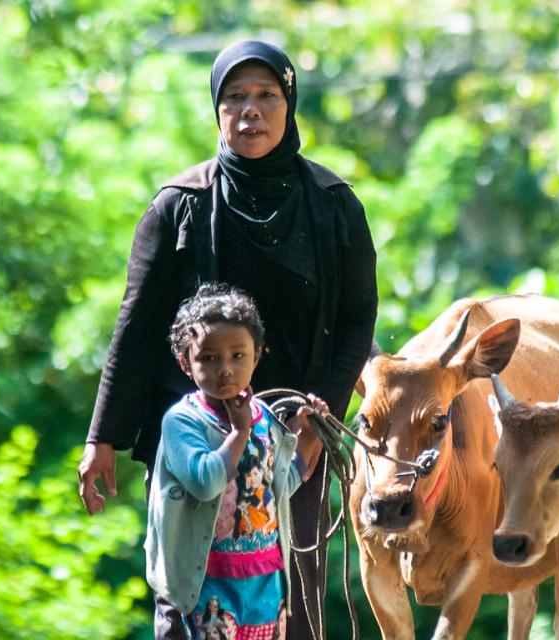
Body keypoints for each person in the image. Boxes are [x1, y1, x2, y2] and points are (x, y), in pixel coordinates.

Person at [78, 39, 378, 638]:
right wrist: (102, 437)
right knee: (189, 599)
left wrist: (319, 424)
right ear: (216, 110)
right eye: (234, 97)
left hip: (291, 441)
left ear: (290, 105)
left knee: (292, 600)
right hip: (196, 440)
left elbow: (356, 319)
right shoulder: (179, 206)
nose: (251, 112)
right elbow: (135, 326)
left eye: (267, 96)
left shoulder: (333, 204)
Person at [145, 283, 327, 639]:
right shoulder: (183, 421)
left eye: (237, 356)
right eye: (208, 358)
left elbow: (279, 486)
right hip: (207, 583)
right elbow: (205, 481)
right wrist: (239, 434)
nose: (225, 369)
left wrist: (310, 434)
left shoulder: (262, 417)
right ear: (186, 363)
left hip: (263, 578)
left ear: (257, 356)